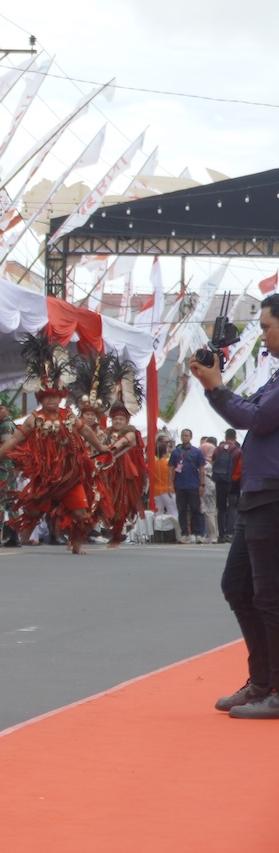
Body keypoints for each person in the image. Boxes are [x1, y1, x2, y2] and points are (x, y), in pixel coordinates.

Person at [189, 293, 279, 718]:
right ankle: (262, 683)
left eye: (265, 325)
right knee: (239, 587)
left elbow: (256, 419)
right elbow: (247, 412)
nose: (262, 334)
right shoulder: (276, 378)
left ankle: (274, 688)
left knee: (269, 595)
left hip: (273, 494)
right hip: (259, 493)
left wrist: (216, 386)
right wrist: (214, 387)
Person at [0, 335, 101, 555]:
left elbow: (87, 431)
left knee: (81, 512)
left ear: (60, 398)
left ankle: (77, 544)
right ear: (41, 399)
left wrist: (101, 448)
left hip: (70, 474)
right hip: (44, 475)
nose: (51, 401)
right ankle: (21, 542)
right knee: (32, 513)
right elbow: (15, 440)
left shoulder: (69, 416)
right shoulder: (35, 418)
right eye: (46, 397)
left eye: (54, 397)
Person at [96, 404, 149, 547]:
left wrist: (111, 448)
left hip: (125, 476)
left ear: (126, 421)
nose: (118, 421)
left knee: (121, 504)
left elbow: (124, 442)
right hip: (107, 473)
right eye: (115, 419)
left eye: (121, 419)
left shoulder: (131, 432)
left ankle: (117, 535)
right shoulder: (106, 433)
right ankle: (105, 530)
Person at [172, 427, 206, 542]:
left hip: (193, 485)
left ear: (191, 437)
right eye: (182, 435)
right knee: (181, 510)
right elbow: (171, 469)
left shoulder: (197, 452)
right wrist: (170, 484)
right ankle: (185, 533)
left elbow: (202, 469)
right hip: (180, 485)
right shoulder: (176, 452)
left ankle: (198, 533)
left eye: (186, 435)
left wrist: (202, 484)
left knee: (195, 509)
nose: (184, 437)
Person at [216, 429, 243, 542]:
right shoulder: (238, 450)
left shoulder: (218, 449)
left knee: (221, 508)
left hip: (220, 481)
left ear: (225, 436)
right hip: (234, 482)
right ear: (235, 437)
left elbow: (214, 461)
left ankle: (221, 534)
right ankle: (230, 533)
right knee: (232, 507)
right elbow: (241, 467)